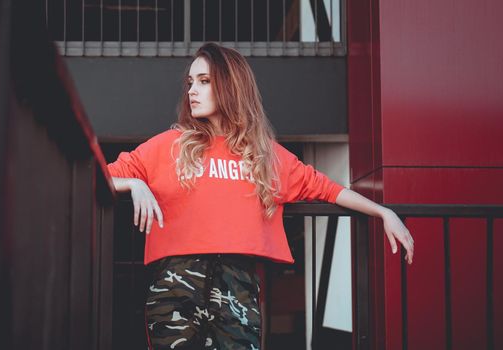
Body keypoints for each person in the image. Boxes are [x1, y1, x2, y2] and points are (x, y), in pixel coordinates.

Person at [107, 42, 414, 350]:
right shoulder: (169, 146)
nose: (192, 91)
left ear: (230, 86)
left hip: (237, 289)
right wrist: (134, 184)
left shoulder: (264, 156)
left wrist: (383, 212)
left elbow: (327, 188)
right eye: (190, 83)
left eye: (204, 81)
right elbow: (101, 174)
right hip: (176, 287)